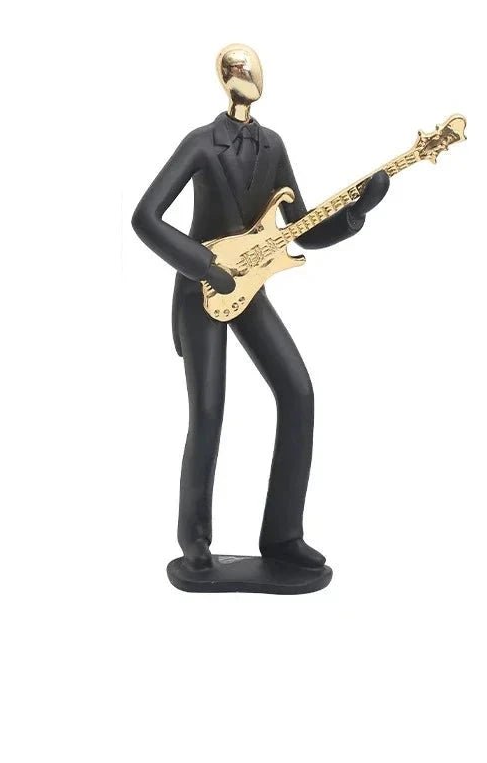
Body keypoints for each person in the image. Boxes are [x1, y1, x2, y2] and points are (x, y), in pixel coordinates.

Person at [132, 44, 390, 569]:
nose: (250, 74)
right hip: (202, 289)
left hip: (250, 288)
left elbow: (303, 229)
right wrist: (205, 266)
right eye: (239, 68)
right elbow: (146, 218)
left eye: (255, 67)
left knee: (298, 393)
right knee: (208, 411)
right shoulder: (200, 143)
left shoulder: (273, 145)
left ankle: (283, 537)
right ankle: (194, 541)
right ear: (224, 79)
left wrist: (355, 214)